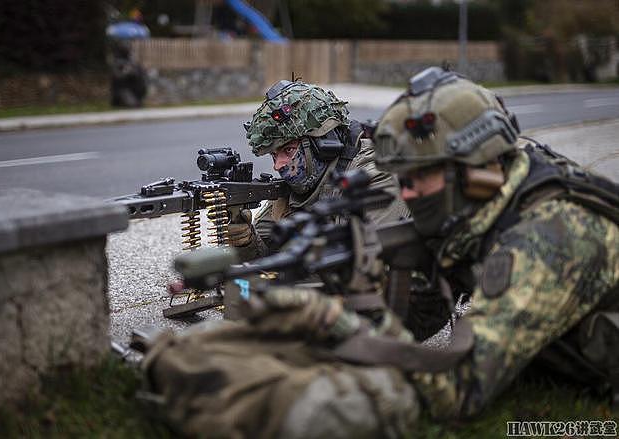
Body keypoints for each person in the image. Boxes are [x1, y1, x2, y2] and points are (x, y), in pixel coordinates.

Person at [139, 68, 619, 438]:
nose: (407, 195)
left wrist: (333, 320)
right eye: (403, 178)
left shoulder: (545, 235)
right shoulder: (475, 205)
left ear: (472, 166)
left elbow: (457, 395)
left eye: (418, 178)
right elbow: (421, 316)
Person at [228, 79, 410, 261]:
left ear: (323, 144)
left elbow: (366, 269)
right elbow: (264, 256)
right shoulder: (303, 185)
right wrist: (246, 241)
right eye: (274, 155)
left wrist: (298, 243)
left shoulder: (374, 176)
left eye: (288, 150)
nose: (278, 165)